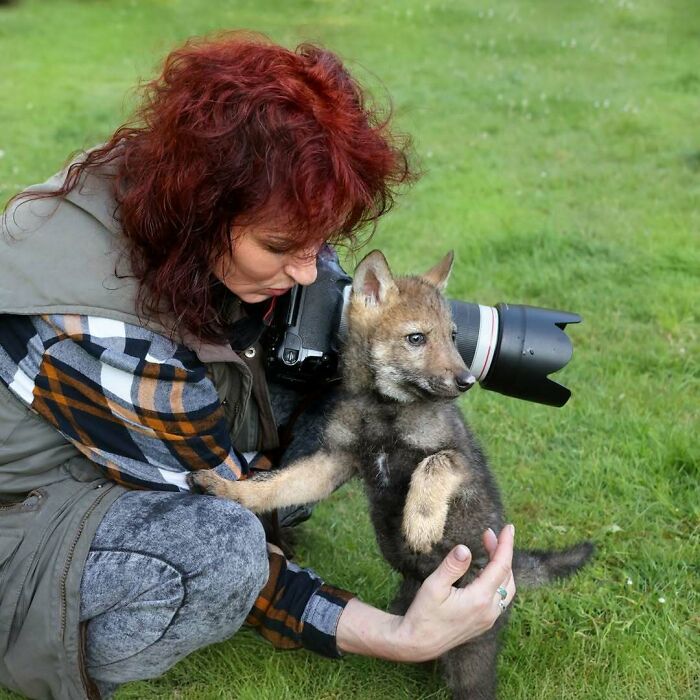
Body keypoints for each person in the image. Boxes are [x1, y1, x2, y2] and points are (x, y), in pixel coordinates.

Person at [0, 32, 516, 700]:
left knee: (362, 393)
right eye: (280, 244)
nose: (310, 268)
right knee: (225, 553)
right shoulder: (95, 320)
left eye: (319, 239)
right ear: (202, 208)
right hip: (30, 507)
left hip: (130, 439)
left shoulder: (169, 191)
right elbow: (217, 497)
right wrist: (397, 634)